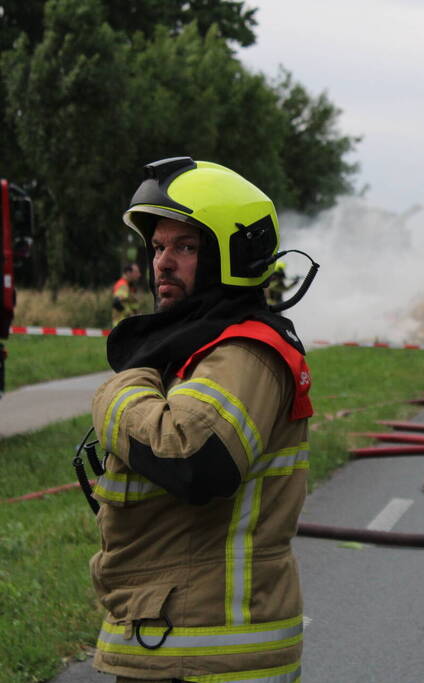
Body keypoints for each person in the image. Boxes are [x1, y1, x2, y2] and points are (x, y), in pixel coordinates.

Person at [88, 157, 313, 683]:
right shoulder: (194, 346)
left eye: (186, 247)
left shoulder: (245, 352)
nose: (163, 262)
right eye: (159, 246)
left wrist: (115, 393)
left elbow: (193, 458)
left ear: (231, 255)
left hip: (210, 651)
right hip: (173, 633)